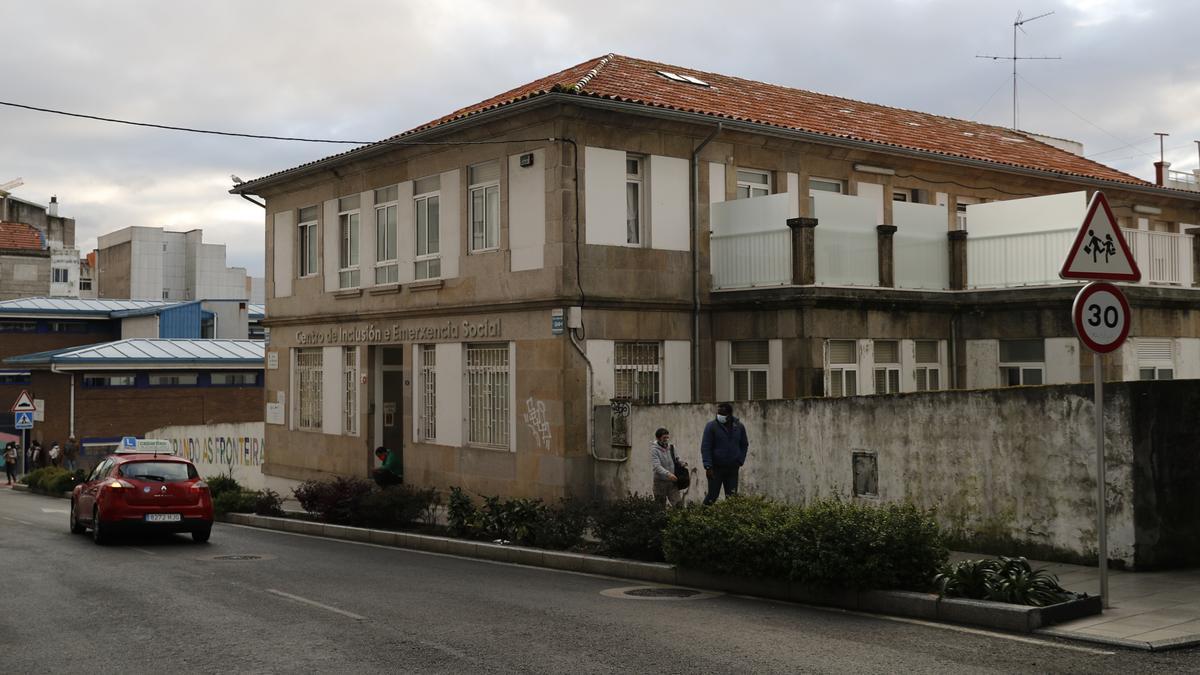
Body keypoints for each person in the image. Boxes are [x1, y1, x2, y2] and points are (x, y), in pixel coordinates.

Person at [700, 402, 749, 505]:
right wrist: (708, 466)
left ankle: (730, 520)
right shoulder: (711, 426)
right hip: (716, 468)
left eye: (722, 414)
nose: (719, 416)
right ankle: (700, 516)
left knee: (732, 498)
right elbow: (706, 447)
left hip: (732, 468)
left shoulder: (739, 427)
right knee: (712, 496)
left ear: (729, 415)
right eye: (718, 413)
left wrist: (740, 460)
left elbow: (744, 445)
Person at [650, 428, 684, 507]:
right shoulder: (654, 450)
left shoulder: (672, 447)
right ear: (658, 438)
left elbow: (677, 459)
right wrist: (668, 474)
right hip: (660, 482)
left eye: (667, 437)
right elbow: (656, 466)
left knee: (679, 505)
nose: (666, 440)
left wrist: (681, 463)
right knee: (660, 507)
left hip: (672, 482)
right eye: (664, 438)